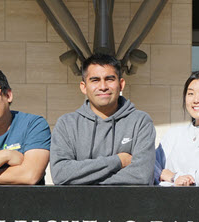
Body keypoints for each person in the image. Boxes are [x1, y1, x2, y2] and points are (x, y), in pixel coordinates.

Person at [51, 53, 155, 185]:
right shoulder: (67, 124)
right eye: (95, 80)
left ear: (121, 84)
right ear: (84, 86)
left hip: (128, 205)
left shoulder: (140, 122)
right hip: (77, 205)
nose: (103, 86)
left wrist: (84, 180)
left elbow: (142, 176)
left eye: (109, 79)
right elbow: (60, 174)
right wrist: (118, 161)